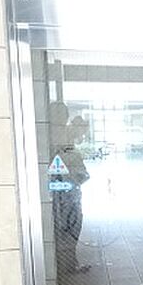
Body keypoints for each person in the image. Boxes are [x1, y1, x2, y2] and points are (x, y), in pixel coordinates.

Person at [52, 115, 91, 274]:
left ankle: (71, 264)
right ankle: (68, 265)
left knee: (71, 228)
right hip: (66, 196)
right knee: (69, 229)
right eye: (82, 132)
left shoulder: (66, 142)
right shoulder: (62, 142)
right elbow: (68, 172)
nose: (82, 136)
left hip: (69, 194)